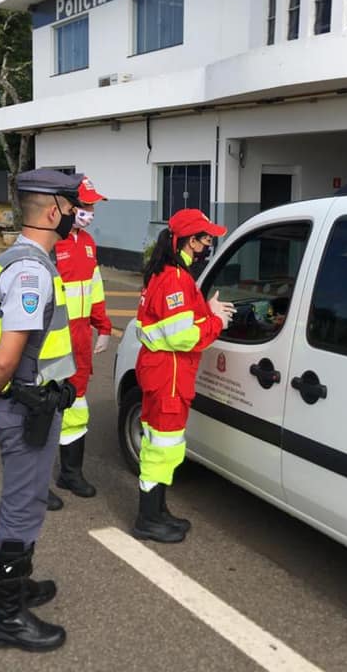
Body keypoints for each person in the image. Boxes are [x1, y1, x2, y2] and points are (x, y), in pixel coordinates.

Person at [0, 168, 80, 652]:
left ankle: (20, 586)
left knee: (24, 504)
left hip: (26, 402)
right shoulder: (31, 270)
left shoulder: (17, 260)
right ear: (53, 211)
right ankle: (7, 619)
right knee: (21, 509)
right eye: (72, 208)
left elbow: (5, 351)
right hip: (26, 408)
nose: (76, 215)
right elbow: (8, 356)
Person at [132, 208, 235, 543]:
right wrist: (216, 320)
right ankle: (148, 519)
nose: (208, 245)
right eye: (206, 239)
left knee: (162, 445)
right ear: (190, 242)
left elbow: (175, 320)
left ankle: (157, 511)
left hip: (163, 373)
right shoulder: (176, 278)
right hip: (169, 376)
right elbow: (181, 335)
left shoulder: (171, 274)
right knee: (161, 448)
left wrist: (206, 309)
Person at [47, 174, 112, 510]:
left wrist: (103, 326)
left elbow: (95, 289)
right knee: (44, 407)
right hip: (51, 341)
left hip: (80, 339)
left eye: (92, 206)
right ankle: (35, 483)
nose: (90, 211)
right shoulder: (49, 244)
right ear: (68, 206)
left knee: (77, 406)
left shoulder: (87, 242)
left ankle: (70, 473)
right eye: (85, 205)